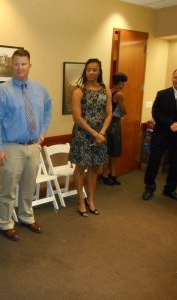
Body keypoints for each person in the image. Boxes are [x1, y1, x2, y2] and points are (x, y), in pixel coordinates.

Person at [0, 49, 52, 241]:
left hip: (33, 146)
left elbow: (48, 109)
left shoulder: (40, 89)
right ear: (11, 66)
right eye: (16, 64)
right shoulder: (1, 92)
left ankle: (26, 217)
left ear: (29, 66)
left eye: (23, 64)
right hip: (11, 147)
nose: (20, 68)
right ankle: (5, 223)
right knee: (8, 189)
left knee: (28, 186)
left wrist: (43, 131)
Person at [142, 68, 177, 201]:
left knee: (176, 164)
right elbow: (156, 112)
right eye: (175, 77)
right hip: (161, 135)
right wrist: (171, 124)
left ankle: (170, 189)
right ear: (172, 78)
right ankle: (149, 187)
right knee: (154, 162)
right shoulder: (162, 94)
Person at [69, 58, 112, 217]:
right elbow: (77, 118)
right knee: (80, 169)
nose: (91, 72)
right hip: (82, 136)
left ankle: (91, 200)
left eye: (95, 69)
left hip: (100, 136)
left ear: (99, 71)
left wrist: (101, 133)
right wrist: (95, 134)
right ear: (85, 71)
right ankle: (81, 200)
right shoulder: (79, 91)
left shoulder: (105, 90)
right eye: (88, 69)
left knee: (94, 169)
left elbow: (109, 114)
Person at [101, 72, 128, 185]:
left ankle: (111, 174)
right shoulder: (119, 94)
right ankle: (107, 174)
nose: (124, 85)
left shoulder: (108, 91)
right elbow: (124, 110)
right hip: (114, 123)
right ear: (121, 83)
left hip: (106, 123)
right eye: (124, 83)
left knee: (109, 150)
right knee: (113, 151)